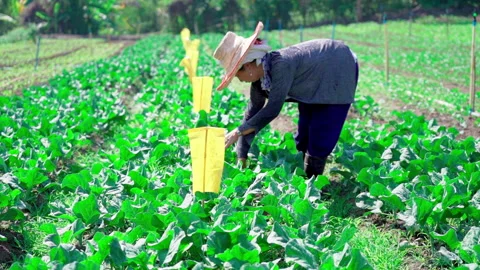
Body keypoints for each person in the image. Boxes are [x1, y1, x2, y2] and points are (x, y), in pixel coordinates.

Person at [213, 21, 359, 178]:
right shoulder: (259, 81)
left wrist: (237, 132)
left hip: (337, 67)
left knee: (321, 132)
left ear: (248, 66)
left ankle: (313, 182)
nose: (238, 79)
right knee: (304, 133)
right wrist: (242, 155)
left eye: (236, 74)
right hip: (311, 83)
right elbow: (252, 114)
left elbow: (273, 109)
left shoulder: (281, 65)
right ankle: (302, 178)